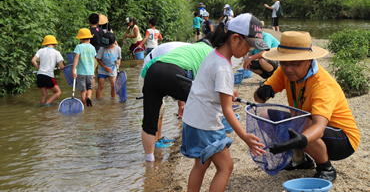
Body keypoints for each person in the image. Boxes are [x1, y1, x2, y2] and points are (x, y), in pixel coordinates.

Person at [254, 31, 360, 182]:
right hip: (308, 126)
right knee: (266, 116)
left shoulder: (322, 84)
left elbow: (319, 126)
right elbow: (258, 99)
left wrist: (300, 140)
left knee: (300, 123)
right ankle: (300, 159)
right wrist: (261, 91)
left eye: (295, 63)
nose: (288, 69)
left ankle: (326, 168)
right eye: (284, 63)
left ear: (309, 60)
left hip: (343, 139)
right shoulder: (284, 71)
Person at [181, 13, 269, 191]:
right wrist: (245, 137)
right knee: (226, 166)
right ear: (235, 38)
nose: (249, 52)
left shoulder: (214, 55)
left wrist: (228, 92)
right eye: (249, 47)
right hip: (206, 125)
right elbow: (227, 110)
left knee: (201, 164)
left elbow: (208, 86)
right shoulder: (224, 68)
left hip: (193, 119)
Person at [141, 36, 214, 162]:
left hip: (152, 71)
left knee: (149, 122)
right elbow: (198, 84)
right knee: (202, 103)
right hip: (173, 73)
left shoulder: (187, 48)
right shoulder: (210, 53)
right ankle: (199, 144)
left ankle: (149, 162)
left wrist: (181, 104)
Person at [31, 35, 65, 106]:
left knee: (45, 94)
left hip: (39, 75)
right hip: (48, 76)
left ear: (45, 44)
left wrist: (38, 68)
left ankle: (41, 107)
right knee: (57, 92)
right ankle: (46, 105)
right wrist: (61, 67)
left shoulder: (40, 50)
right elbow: (61, 66)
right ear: (55, 44)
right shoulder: (56, 53)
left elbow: (33, 60)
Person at [72, 28, 97, 107]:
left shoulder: (79, 47)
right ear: (89, 38)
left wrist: (73, 70)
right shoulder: (92, 47)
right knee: (89, 88)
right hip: (90, 72)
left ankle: (83, 105)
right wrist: (93, 71)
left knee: (83, 90)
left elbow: (76, 58)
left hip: (81, 72)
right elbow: (94, 61)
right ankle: (89, 97)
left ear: (80, 39)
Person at [96, 32, 122, 99]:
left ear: (113, 42)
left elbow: (119, 57)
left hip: (112, 70)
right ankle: (97, 100)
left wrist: (119, 61)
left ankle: (113, 100)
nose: (106, 47)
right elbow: (98, 59)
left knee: (113, 85)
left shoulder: (118, 49)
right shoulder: (102, 49)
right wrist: (104, 67)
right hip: (102, 70)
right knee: (101, 86)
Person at [88, 13, 105, 89]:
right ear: (98, 22)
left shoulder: (88, 31)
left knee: (92, 73)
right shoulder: (101, 30)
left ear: (89, 21)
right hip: (102, 54)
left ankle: (93, 89)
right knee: (101, 73)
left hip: (93, 55)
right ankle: (101, 88)